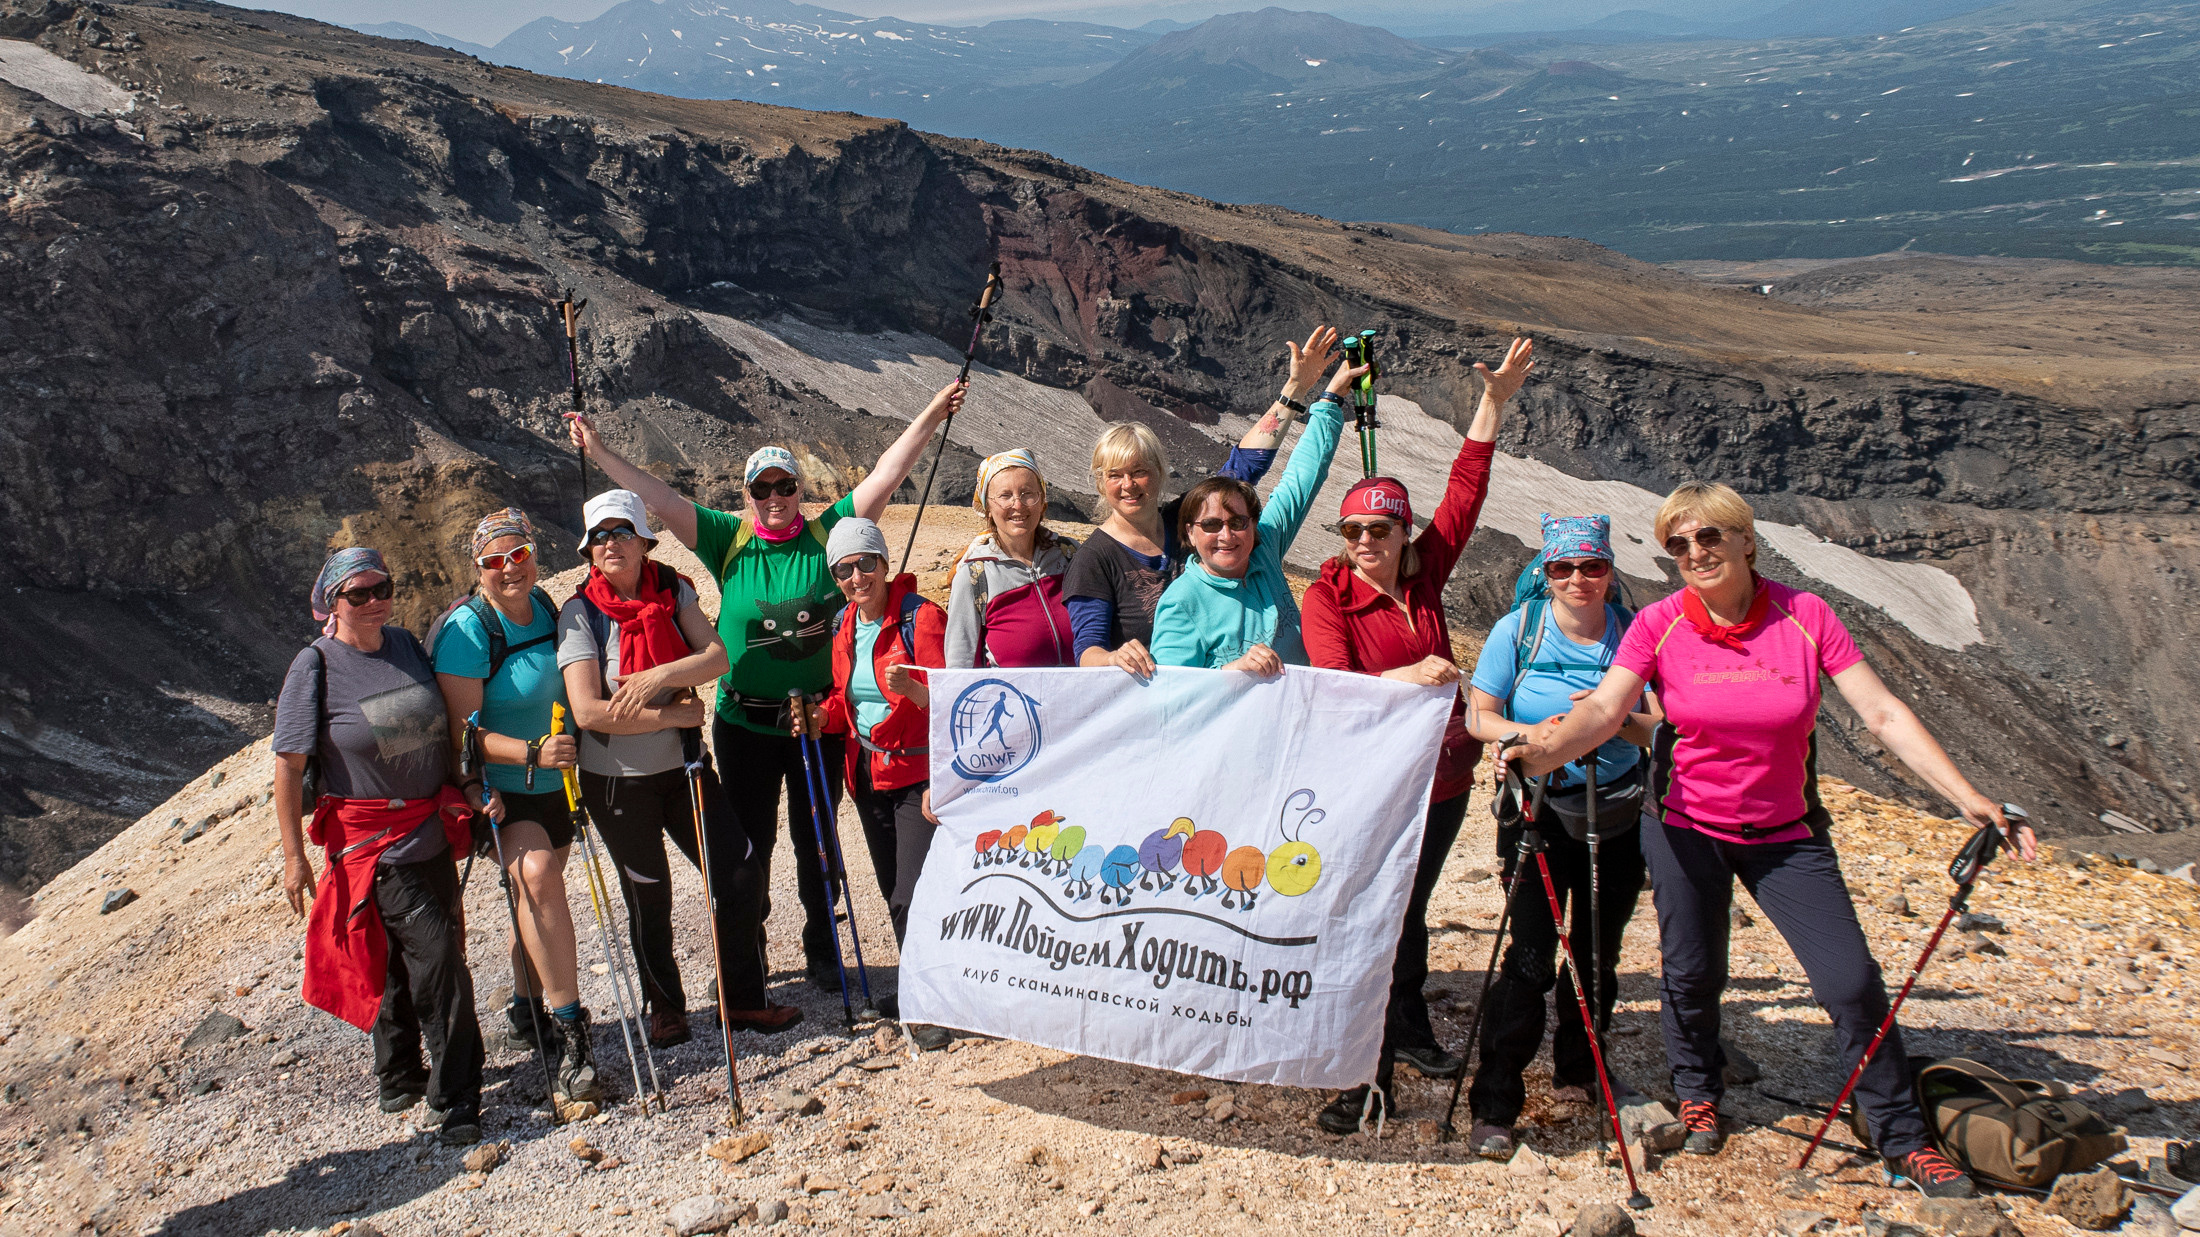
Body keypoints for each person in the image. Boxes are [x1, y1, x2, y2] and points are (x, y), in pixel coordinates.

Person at [1497, 481, 2039, 1199]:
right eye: (1680, 544)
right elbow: (1604, 708)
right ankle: (1697, 1090)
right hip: (1684, 824)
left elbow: (1881, 712)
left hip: (1786, 832)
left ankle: (1901, 1135)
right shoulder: (1659, 622)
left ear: (1746, 537)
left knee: (1849, 981)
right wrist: (1534, 755)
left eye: (1710, 537)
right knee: (1690, 971)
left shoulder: (1805, 614)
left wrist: (1968, 797)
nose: (1696, 553)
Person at [569, 380, 965, 987]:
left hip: (818, 721)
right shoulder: (729, 540)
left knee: (817, 838)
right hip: (744, 722)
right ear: (748, 495)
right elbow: (661, 499)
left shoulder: (828, 534)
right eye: (763, 488)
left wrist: (935, 411)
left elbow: (890, 469)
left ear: (800, 490)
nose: (775, 496)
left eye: (785, 486)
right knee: (751, 843)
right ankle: (749, 949)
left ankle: (823, 947)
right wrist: (599, 454)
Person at [1299, 337, 1536, 1134]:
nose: (1367, 540)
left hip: (1442, 780)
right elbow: (1336, 686)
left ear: (1404, 535)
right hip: (1374, 782)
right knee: (1376, 911)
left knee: (1409, 906)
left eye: (1382, 528)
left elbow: (1465, 491)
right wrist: (1416, 677)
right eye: (1355, 528)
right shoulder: (1328, 598)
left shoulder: (1426, 574)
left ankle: (1401, 1033)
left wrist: (1493, 401)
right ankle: (1366, 1062)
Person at [558, 490, 803, 1043]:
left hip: (686, 768)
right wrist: (678, 711)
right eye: (600, 536)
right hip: (618, 781)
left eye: (622, 532)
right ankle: (664, 1006)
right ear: (589, 550)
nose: (611, 544)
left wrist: (655, 679)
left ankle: (739, 998)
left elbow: (716, 656)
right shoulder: (579, 614)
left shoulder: (673, 589)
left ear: (644, 540)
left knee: (740, 875)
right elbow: (589, 712)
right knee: (649, 895)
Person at [1458, 513, 1663, 1159]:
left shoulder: (1636, 633)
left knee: (1599, 950)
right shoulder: (1516, 630)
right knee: (1529, 956)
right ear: (1545, 573)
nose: (1578, 578)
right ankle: (1495, 1101)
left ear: (1609, 570)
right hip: (1538, 810)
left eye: (1592, 566)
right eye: (1563, 567)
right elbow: (1478, 714)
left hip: (1617, 810)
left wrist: (1605, 720)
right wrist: (1519, 736)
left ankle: (1580, 1070)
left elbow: (1657, 721)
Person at [274, 548, 483, 1145]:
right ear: (331, 603)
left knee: (397, 954)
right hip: (373, 842)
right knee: (440, 958)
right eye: (358, 594)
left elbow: (432, 728)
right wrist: (294, 857)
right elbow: (288, 768)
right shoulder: (314, 667)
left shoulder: (406, 646)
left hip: (430, 827)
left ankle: (398, 1073)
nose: (374, 601)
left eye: (382, 588)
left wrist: (462, 789)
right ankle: (458, 1096)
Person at [431, 507, 598, 1106]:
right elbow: (460, 734)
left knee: (534, 897)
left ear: (534, 554)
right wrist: (532, 751)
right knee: (539, 876)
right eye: (494, 562)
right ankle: (571, 1034)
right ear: (478, 570)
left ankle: (527, 1006)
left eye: (519, 555)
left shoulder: (548, 608)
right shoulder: (467, 632)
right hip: (500, 793)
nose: (509, 569)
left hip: (556, 785)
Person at [1065, 325, 1340, 678]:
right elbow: (1086, 651)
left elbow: (1243, 466)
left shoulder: (1190, 516)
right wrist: (1114, 658)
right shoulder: (1094, 559)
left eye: (1140, 471)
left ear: (1161, 473)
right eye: (1115, 474)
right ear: (1100, 481)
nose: (1128, 485)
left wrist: (1295, 389)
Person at [808, 517, 953, 1050]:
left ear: (884, 563)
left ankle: (932, 999)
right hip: (868, 775)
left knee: (909, 893)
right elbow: (847, 702)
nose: (856, 576)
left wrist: (916, 688)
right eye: (844, 569)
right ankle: (920, 989)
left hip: (918, 775)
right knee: (891, 884)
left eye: (865, 563)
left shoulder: (923, 618)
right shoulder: (844, 625)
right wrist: (822, 717)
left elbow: (951, 701)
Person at [1148, 350, 1364, 673]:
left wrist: (1331, 400)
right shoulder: (1182, 604)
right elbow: (1170, 699)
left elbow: (1301, 480)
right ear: (1190, 533)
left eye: (1237, 522)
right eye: (1210, 525)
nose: (1226, 535)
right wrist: (1232, 671)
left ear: (1253, 524)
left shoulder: (1264, 548)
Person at [943, 449, 1078, 669]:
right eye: (1005, 496)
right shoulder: (974, 577)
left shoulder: (1070, 555)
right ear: (987, 507)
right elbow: (959, 670)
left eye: (1027, 493)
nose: (1018, 505)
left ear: (1042, 500)